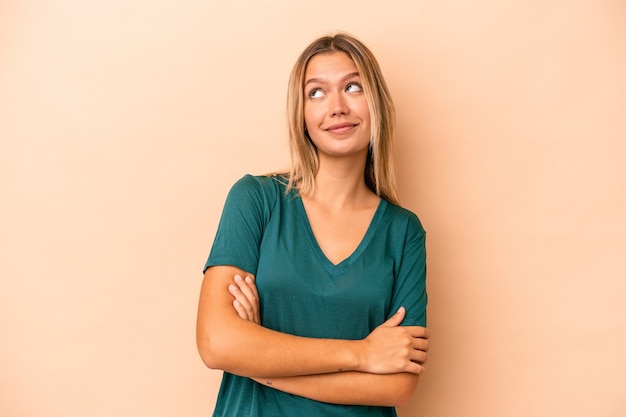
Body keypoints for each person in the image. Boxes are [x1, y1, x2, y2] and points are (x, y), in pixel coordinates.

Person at [196, 32, 429, 417]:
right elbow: (216, 342)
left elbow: (398, 385)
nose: (336, 107)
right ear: (301, 114)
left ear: (377, 105)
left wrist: (260, 361)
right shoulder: (256, 199)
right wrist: (361, 353)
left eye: (353, 87)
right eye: (316, 93)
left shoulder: (403, 232)